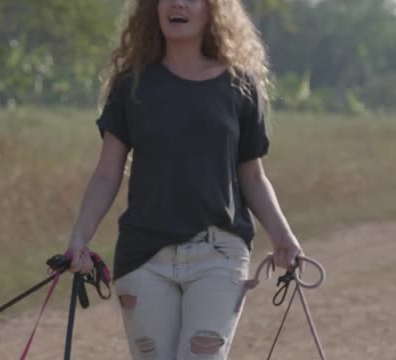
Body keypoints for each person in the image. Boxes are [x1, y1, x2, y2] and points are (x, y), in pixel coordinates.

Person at [67, 0, 303, 358]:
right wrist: (79, 239)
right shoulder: (132, 85)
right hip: (144, 257)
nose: (177, 3)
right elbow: (106, 173)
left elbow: (252, 176)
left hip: (219, 254)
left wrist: (283, 236)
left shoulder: (239, 86)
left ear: (213, 10)